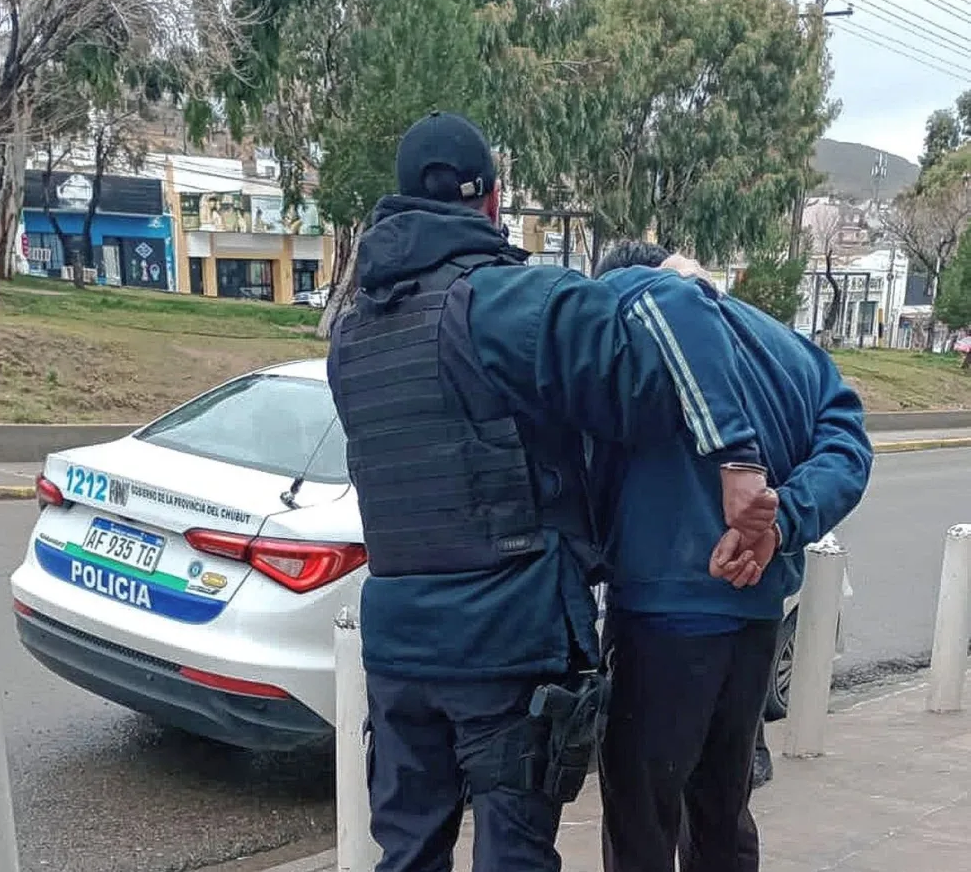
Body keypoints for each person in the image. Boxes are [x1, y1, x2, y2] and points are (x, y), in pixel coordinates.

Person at [326, 112, 777, 872]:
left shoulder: (351, 328)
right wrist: (738, 458)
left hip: (400, 649)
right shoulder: (505, 303)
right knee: (514, 855)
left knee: (405, 853)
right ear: (493, 200)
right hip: (505, 646)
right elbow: (671, 329)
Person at [589, 240, 874, 872]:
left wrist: (741, 470)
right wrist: (780, 522)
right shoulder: (790, 348)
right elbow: (849, 447)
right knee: (721, 814)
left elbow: (664, 296)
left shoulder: (642, 301)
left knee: (641, 821)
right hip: (753, 620)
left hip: (662, 615)